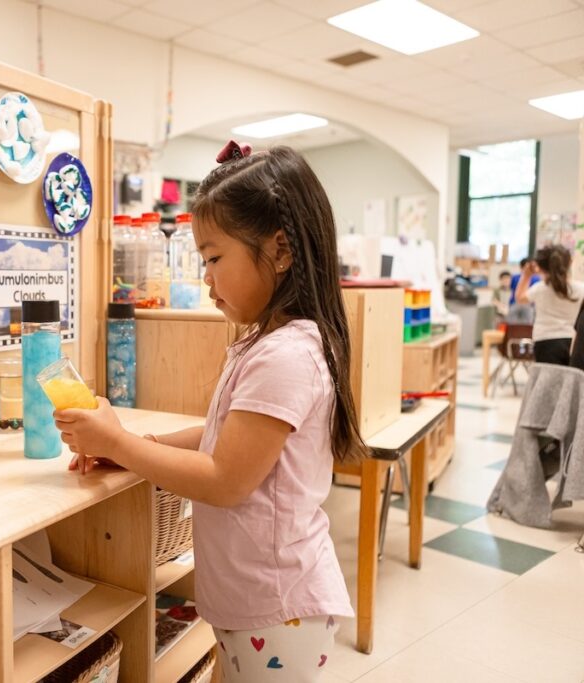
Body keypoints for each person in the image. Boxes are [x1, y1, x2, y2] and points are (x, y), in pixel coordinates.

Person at [53, 142, 361, 682]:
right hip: (256, 601)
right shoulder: (266, 343)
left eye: (214, 259)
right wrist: (131, 447)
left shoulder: (287, 354)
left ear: (281, 250)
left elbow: (224, 479)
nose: (207, 279)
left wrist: (120, 443)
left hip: (277, 608)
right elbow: (221, 436)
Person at [515, 245, 584, 365]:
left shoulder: (539, 289)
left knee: (548, 377)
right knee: (570, 377)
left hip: (545, 340)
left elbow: (519, 298)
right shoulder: (580, 289)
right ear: (570, 263)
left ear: (541, 268)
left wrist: (526, 276)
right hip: (573, 342)